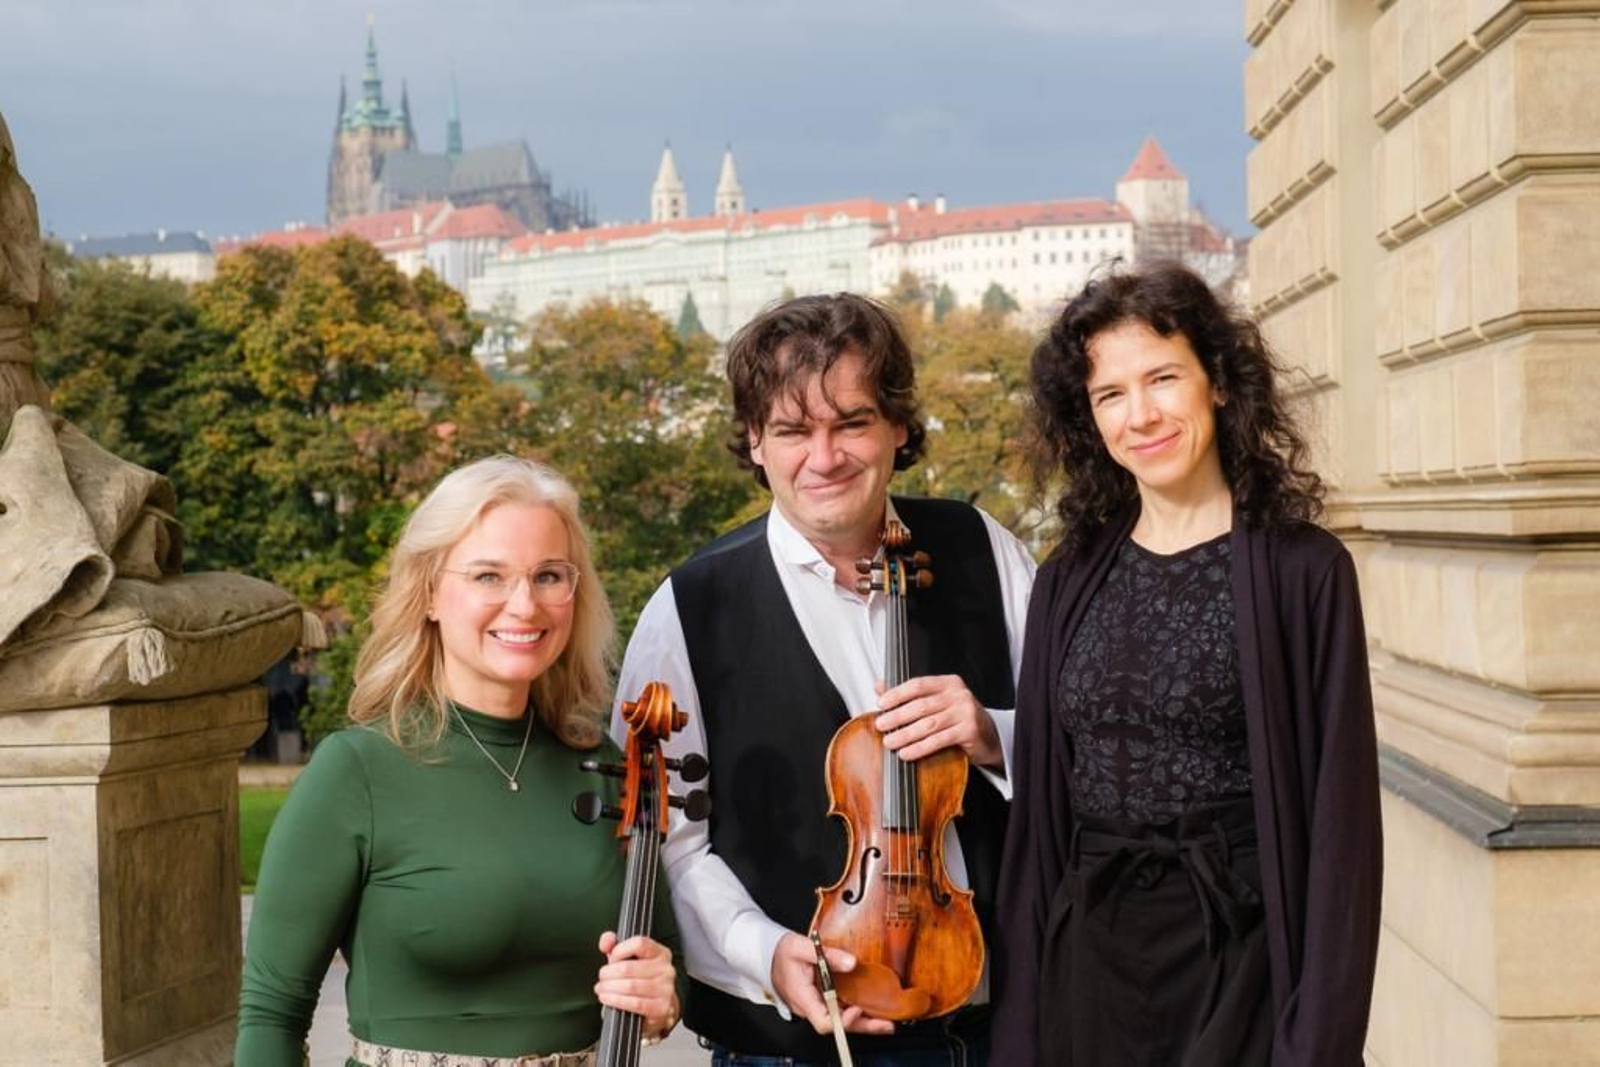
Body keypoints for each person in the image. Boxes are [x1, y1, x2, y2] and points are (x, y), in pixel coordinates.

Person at [614, 293, 1036, 1066]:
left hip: (998, 1031)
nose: (825, 455)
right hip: (788, 1049)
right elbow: (671, 841)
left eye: (852, 422)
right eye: (791, 430)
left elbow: (1088, 742)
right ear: (754, 441)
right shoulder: (691, 606)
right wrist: (765, 951)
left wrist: (996, 734)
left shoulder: (983, 547)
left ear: (898, 426)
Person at [992, 263, 1383, 1066]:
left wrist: (1318, 1045)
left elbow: (1343, 836)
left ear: (1221, 384)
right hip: (1089, 975)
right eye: (1110, 394)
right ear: (1088, 418)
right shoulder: (1065, 578)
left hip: (1244, 965)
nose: (1141, 415)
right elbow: (1036, 833)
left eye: (1163, 378)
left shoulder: (1305, 571)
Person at [236, 456, 682, 1066]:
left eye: (549, 576)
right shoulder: (357, 770)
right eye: (489, 576)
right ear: (429, 595)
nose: (525, 605)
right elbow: (271, 1016)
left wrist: (662, 999)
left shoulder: (604, 768)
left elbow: (665, 962)